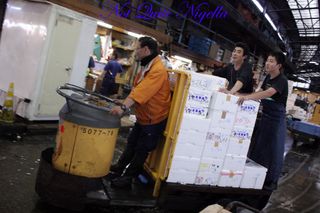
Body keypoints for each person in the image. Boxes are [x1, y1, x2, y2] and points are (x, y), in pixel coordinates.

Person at [109, 37, 171, 188]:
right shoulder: (147, 66)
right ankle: (119, 168)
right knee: (131, 143)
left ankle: (128, 178)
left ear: (146, 50)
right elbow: (137, 89)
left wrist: (123, 108)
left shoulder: (157, 70)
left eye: (137, 48)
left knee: (141, 150)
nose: (135, 52)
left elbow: (141, 93)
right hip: (144, 116)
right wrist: (123, 101)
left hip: (154, 119)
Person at [237, 51, 288, 191]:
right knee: (259, 146)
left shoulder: (281, 80)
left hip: (276, 120)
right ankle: (255, 175)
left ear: (279, 65)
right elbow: (258, 92)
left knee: (273, 149)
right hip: (265, 117)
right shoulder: (267, 78)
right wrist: (238, 95)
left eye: (271, 61)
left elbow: (268, 93)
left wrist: (248, 98)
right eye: (267, 60)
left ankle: (270, 180)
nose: (267, 63)